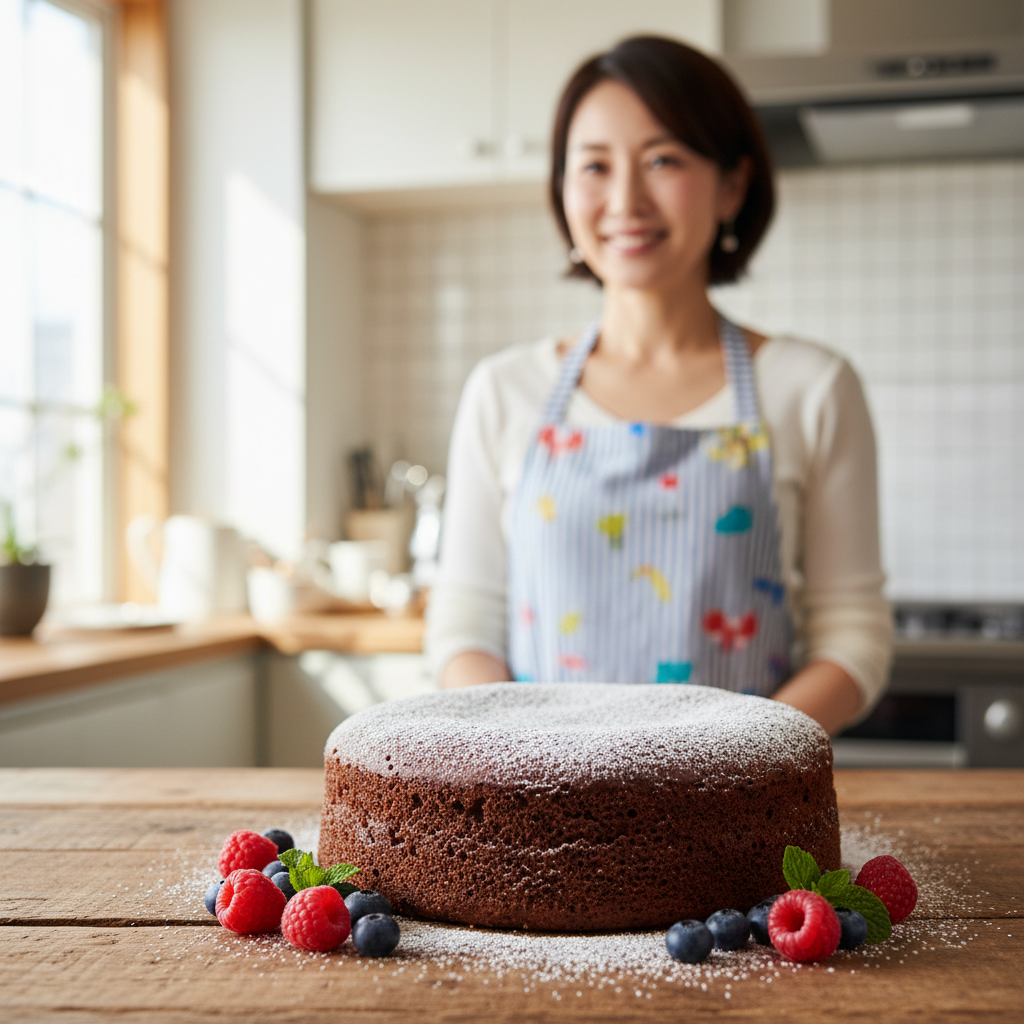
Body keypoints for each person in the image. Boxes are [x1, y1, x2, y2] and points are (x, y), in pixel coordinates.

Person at [425, 36, 892, 736]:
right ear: (562, 190)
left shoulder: (812, 388)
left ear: (732, 186)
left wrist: (741, 758)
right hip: (542, 790)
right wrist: (527, 750)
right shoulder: (504, 390)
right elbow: (464, 624)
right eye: (594, 166)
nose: (625, 200)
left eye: (663, 160)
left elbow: (853, 634)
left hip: (739, 792)